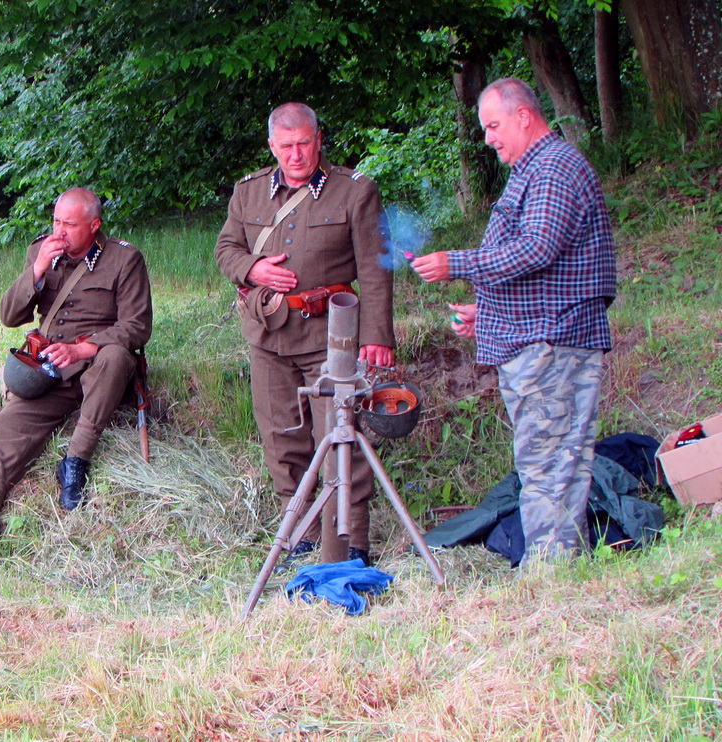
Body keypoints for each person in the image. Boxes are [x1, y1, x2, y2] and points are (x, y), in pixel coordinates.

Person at [412, 77, 616, 567]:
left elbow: (537, 248)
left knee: (548, 465)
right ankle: (557, 569)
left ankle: (548, 574)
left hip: (553, 344)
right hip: (541, 338)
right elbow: (549, 271)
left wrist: (457, 263)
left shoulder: (554, 167)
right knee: (551, 463)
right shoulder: (534, 170)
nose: (488, 139)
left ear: (524, 116)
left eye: (493, 125)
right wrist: (487, 313)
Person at [214, 102, 395, 567]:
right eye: (286, 146)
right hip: (268, 335)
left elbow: (375, 268)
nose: (296, 155)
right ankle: (303, 535)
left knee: (340, 436)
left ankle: (350, 541)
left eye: (304, 144)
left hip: (331, 336)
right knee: (281, 439)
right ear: (272, 146)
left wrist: (377, 335)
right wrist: (251, 267)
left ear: (318, 140)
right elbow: (226, 248)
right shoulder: (248, 192)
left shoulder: (354, 191)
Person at [0, 188, 153, 536]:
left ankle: (75, 462)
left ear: (94, 225)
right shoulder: (40, 251)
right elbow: (9, 316)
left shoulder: (124, 259)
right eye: (56, 222)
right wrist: (36, 270)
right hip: (52, 370)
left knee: (114, 356)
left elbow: (137, 327)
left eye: (70, 225)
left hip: (99, 369)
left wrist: (82, 349)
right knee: (9, 424)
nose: (59, 231)